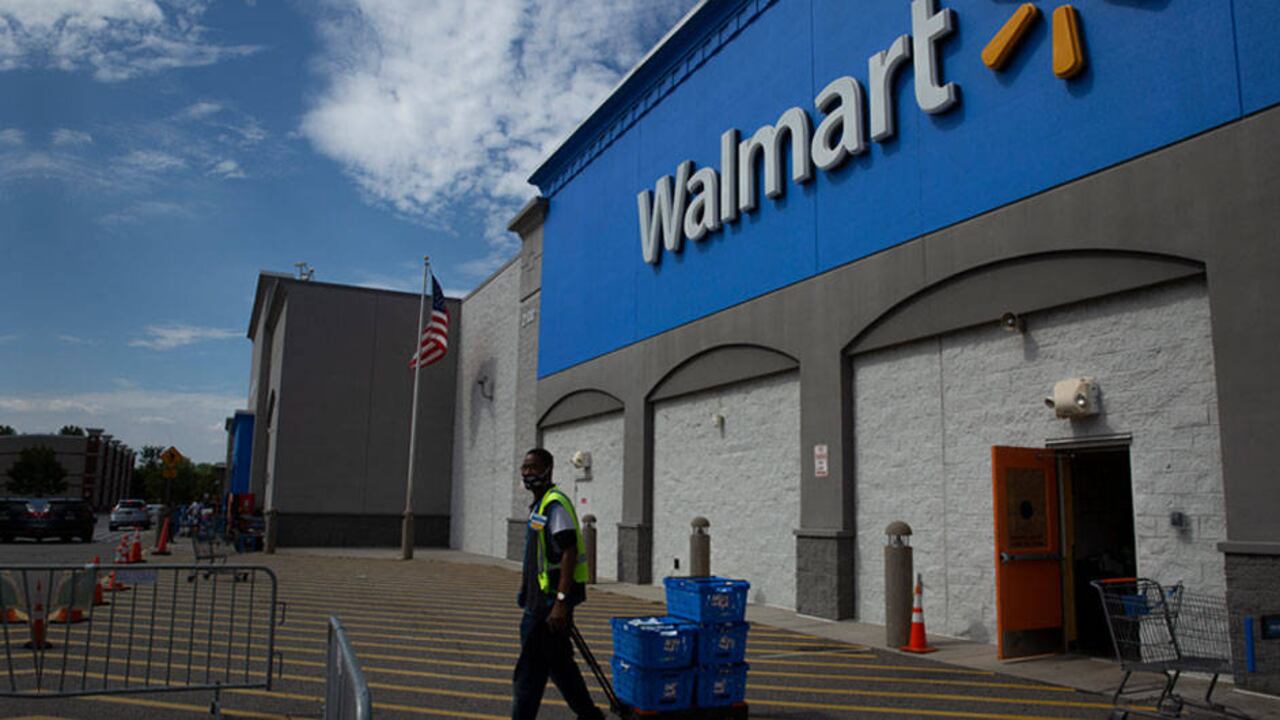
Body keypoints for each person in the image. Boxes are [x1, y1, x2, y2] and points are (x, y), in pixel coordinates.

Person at [512, 448, 604, 720]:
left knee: (528, 673)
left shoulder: (555, 505)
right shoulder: (540, 505)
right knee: (560, 665)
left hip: (548, 604)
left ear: (547, 470)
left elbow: (569, 552)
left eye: (533, 467)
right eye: (524, 468)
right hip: (539, 601)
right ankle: (590, 715)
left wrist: (561, 602)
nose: (527, 473)